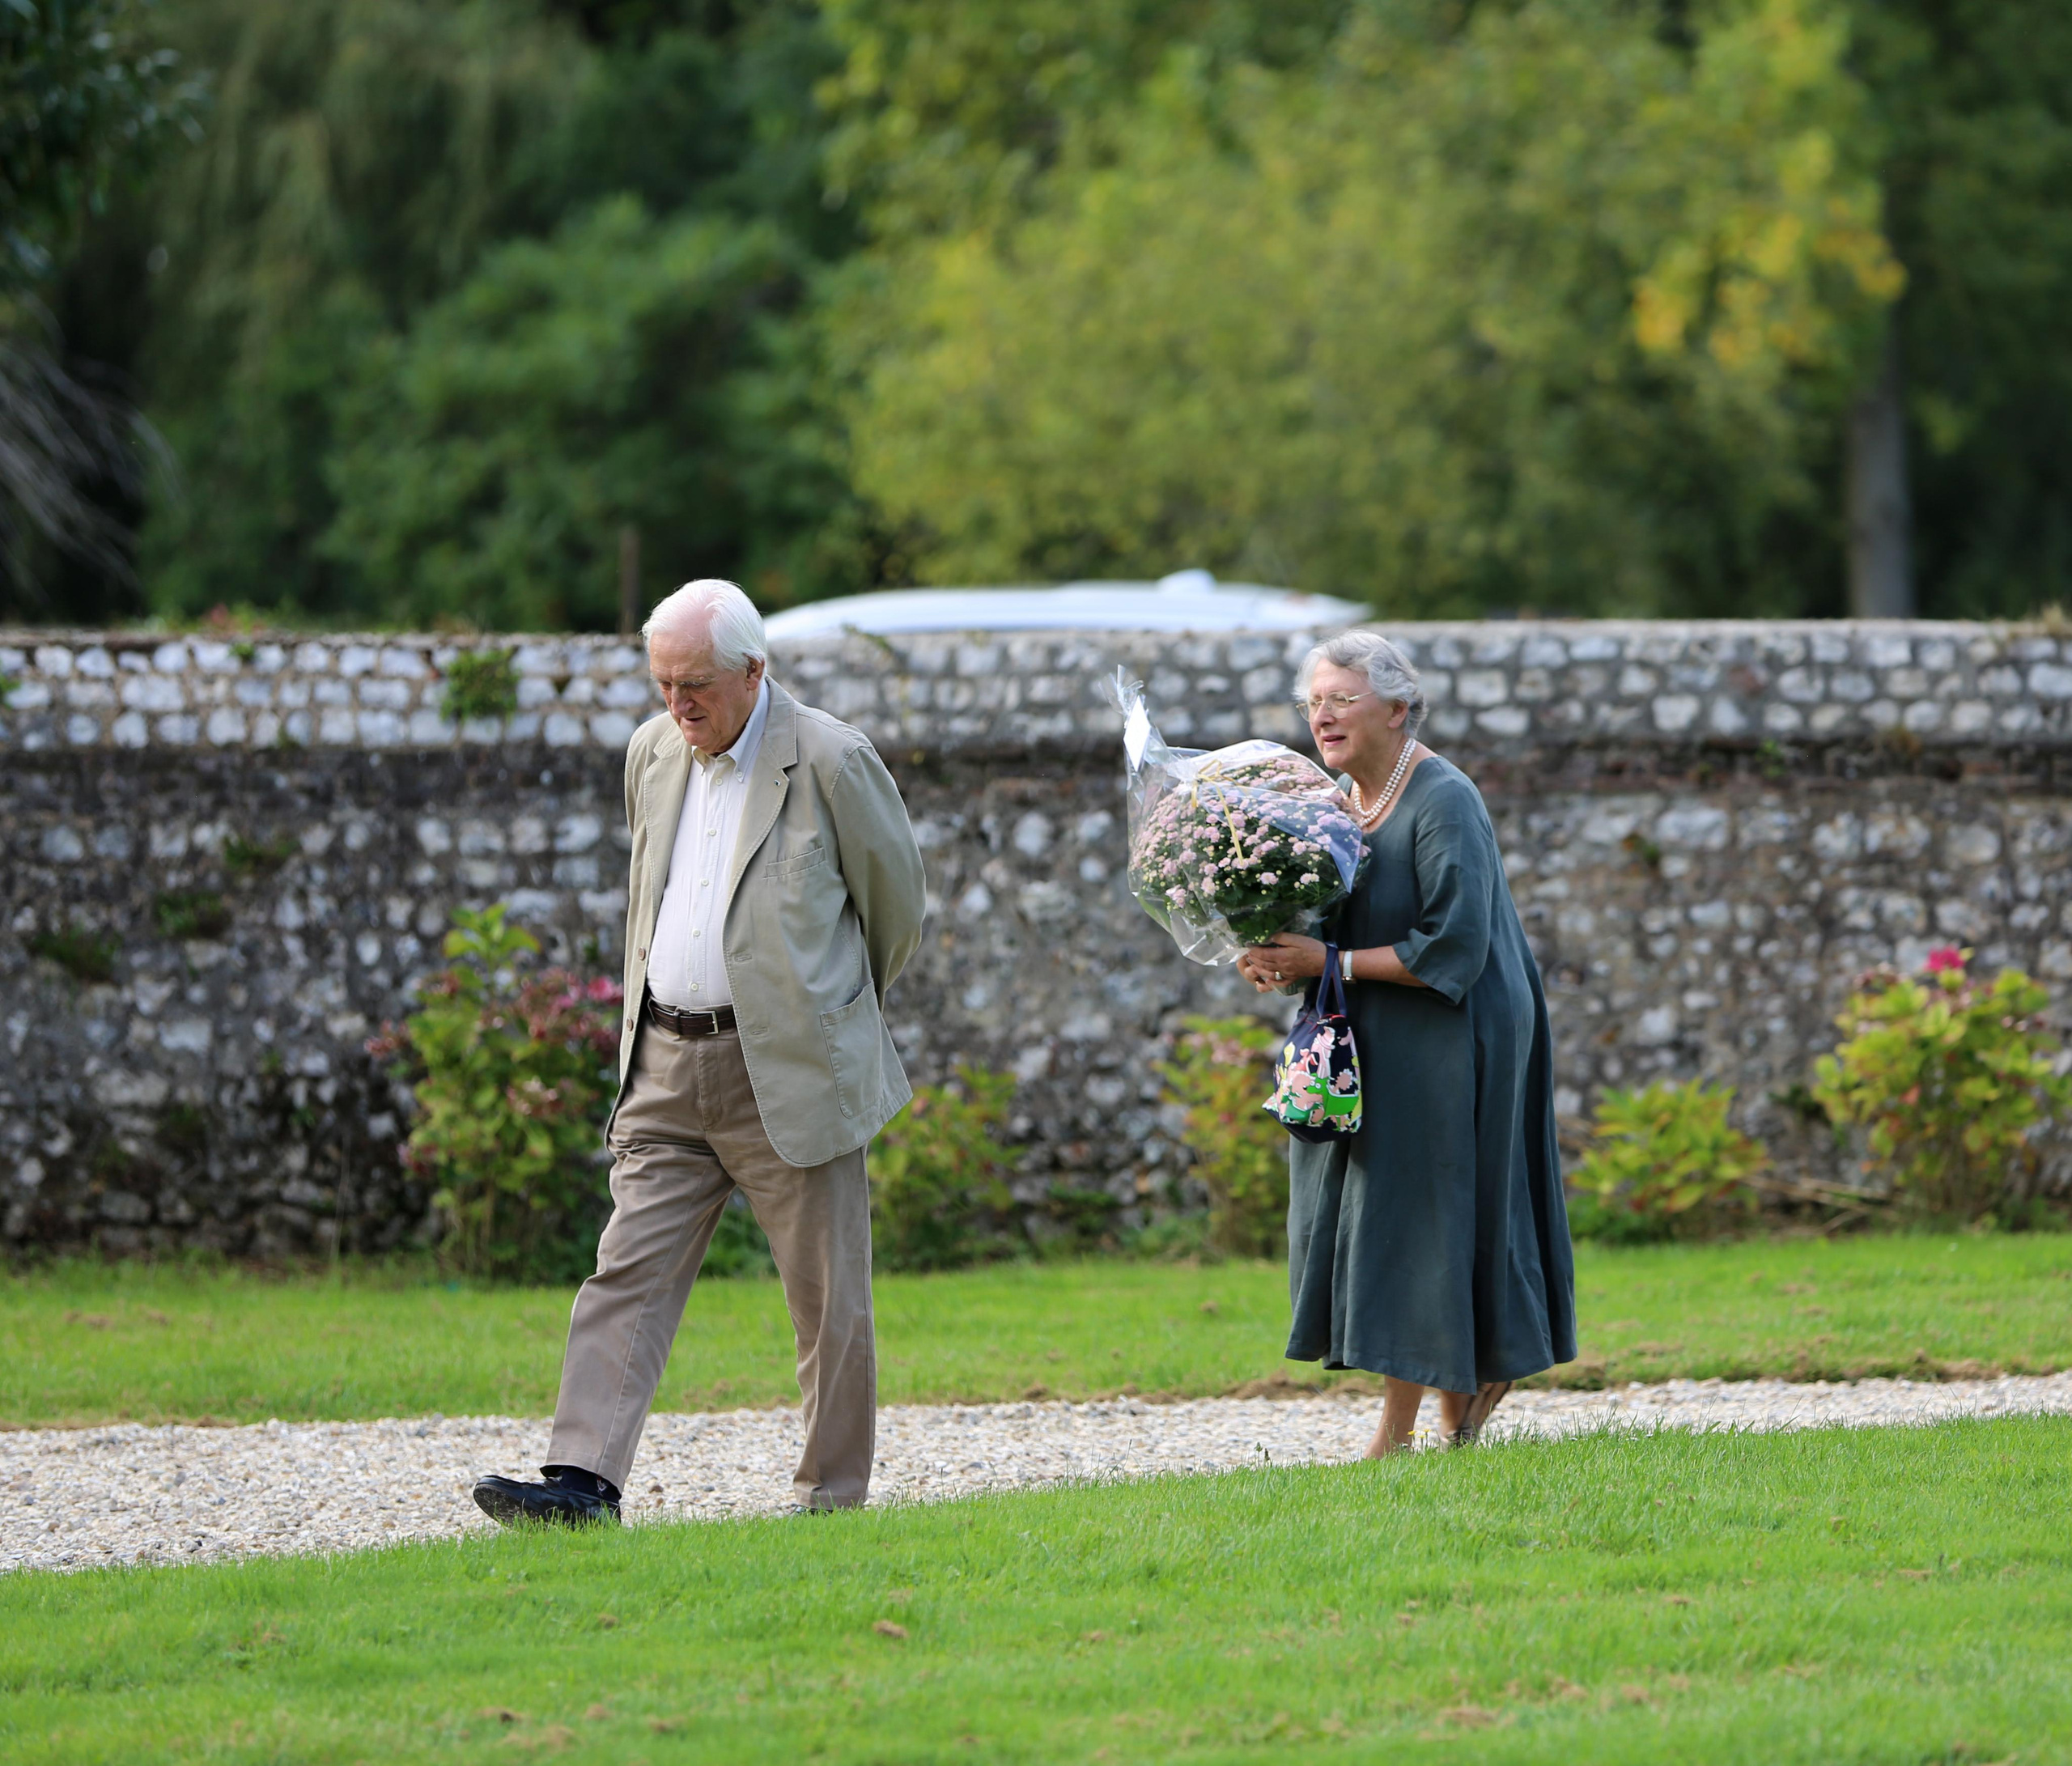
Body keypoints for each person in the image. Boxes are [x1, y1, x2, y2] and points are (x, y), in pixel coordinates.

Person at [473, 579, 926, 1523]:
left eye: (696, 687)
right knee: (623, 1271)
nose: (677, 706)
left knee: (827, 1302)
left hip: (791, 1072)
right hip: (665, 1065)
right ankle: (581, 1482)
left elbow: (896, 912)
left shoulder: (835, 761)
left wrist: (827, 1020)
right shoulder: (650, 753)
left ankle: (831, 1498)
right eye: (663, 685)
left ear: (754, 672)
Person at [1235, 630, 1575, 1454]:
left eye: (1340, 698)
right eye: (1313, 701)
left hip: (1456, 1024)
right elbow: (1336, 930)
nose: (1322, 715)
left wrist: (1329, 960)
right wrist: (1275, 951)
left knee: (1424, 1212)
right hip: (1376, 1021)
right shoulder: (1334, 804)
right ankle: (1465, 1398)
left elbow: (1455, 946)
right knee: (1392, 1211)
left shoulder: (1443, 797)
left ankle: (1395, 1433)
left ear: (1396, 705)